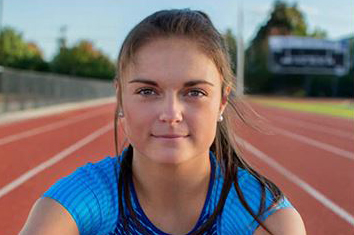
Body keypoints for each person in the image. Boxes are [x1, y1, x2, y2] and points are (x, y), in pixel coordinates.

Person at [20, 9, 306, 235]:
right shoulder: (75, 204)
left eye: (195, 92)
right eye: (147, 91)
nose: (171, 113)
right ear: (120, 98)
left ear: (222, 100)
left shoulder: (267, 220)